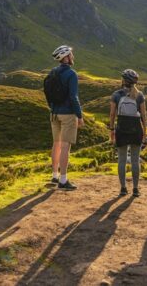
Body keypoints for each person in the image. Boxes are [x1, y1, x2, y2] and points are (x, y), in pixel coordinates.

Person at [45, 45, 84, 191]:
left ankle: (54, 175)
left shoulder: (52, 72)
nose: (72, 57)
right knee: (66, 147)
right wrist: (79, 116)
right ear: (66, 57)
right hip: (67, 114)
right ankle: (63, 180)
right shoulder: (71, 74)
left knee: (56, 144)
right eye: (71, 54)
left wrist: (53, 108)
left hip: (54, 113)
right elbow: (74, 97)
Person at [108, 69, 147, 197]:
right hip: (136, 130)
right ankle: (136, 189)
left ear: (123, 81)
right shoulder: (139, 95)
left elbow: (112, 115)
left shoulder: (116, 95)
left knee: (122, 160)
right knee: (135, 160)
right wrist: (144, 133)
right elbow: (144, 117)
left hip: (121, 130)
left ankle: (123, 188)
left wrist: (112, 130)